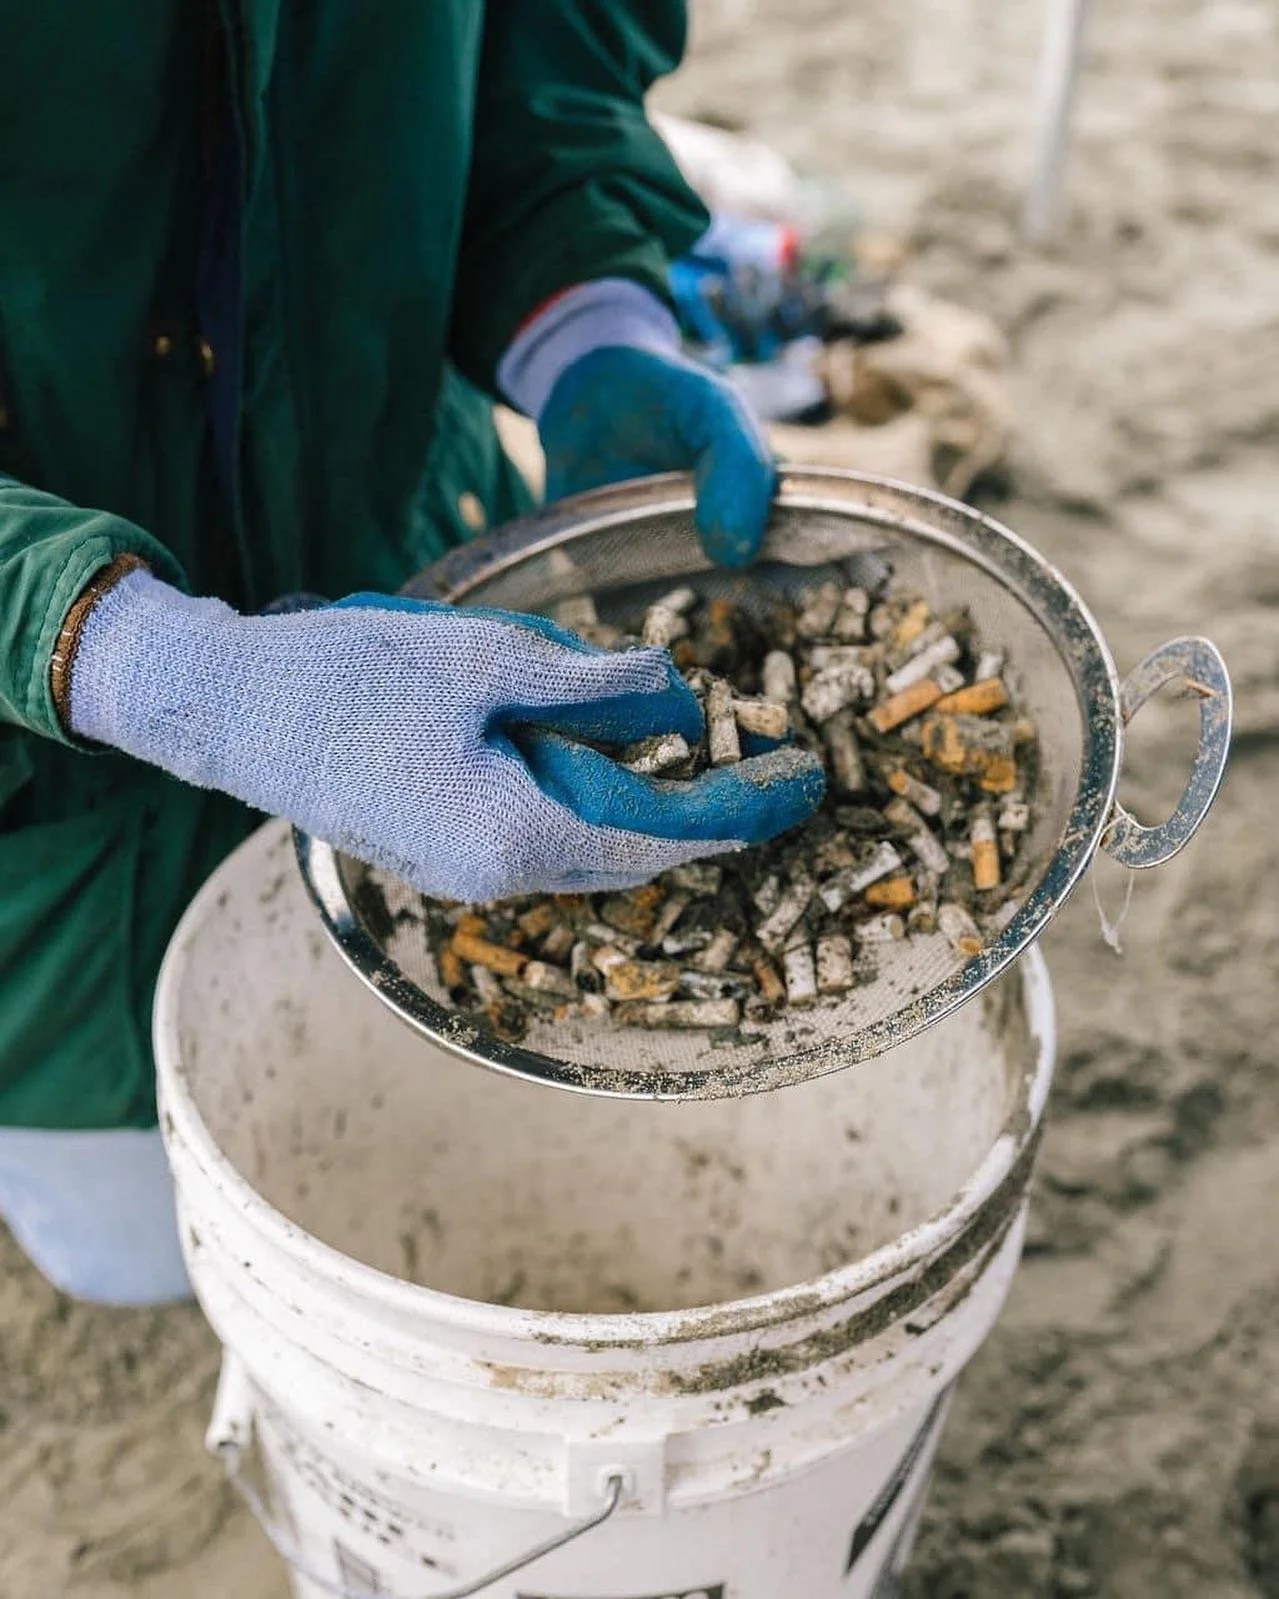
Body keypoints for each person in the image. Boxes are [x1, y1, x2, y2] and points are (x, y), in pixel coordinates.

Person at [0, 6, 825, 1305]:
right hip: (46, 821)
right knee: (149, 1244)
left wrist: (579, 315)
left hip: (404, 546)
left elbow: (548, 46)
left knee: (499, 1066)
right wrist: (134, 656)